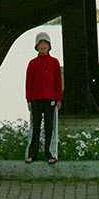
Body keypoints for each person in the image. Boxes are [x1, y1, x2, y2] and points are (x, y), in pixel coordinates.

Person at [25, 31, 62, 163]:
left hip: (50, 99)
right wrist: (28, 99)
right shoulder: (32, 63)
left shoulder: (54, 62)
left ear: (49, 45)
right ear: (37, 46)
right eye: (40, 43)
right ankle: (31, 154)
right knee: (35, 127)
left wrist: (59, 99)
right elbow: (28, 81)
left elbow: (58, 81)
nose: (43, 46)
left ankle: (50, 154)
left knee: (50, 127)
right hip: (35, 99)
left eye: (45, 43)